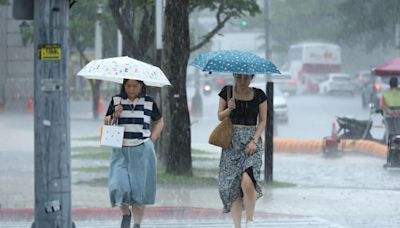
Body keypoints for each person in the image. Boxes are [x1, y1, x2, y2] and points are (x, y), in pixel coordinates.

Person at [104, 79, 164, 228]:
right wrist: (115, 114)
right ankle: (126, 214)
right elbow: (106, 122)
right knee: (117, 186)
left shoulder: (149, 101)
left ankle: (137, 224)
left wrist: (152, 139)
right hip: (120, 150)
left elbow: (160, 121)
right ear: (124, 85)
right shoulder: (117, 100)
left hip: (142, 149)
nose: (131, 89)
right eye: (128, 86)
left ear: (141, 86)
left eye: (135, 86)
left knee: (139, 192)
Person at [217, 73, 267, 228]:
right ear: (234, 76)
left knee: (247, 182)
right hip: (232, 143)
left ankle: (250, 221)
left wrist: (254, 140)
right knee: (233, 188)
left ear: (251, 78)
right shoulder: (227, 91)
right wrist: (229, 109)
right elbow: (220, 116)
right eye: (239, 77)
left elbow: (263, 120)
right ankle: (237, 225)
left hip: (251, 143)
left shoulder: (259, 95)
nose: (243, 81)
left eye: (246, 78)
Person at [381, 76, 400, 165]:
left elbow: (382, 106)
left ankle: (389, 159)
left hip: (389, 117)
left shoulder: (385, 93)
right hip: (399, 117)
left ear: (389, 84)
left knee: (390, 136)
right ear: (397, 84)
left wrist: (391, 112)